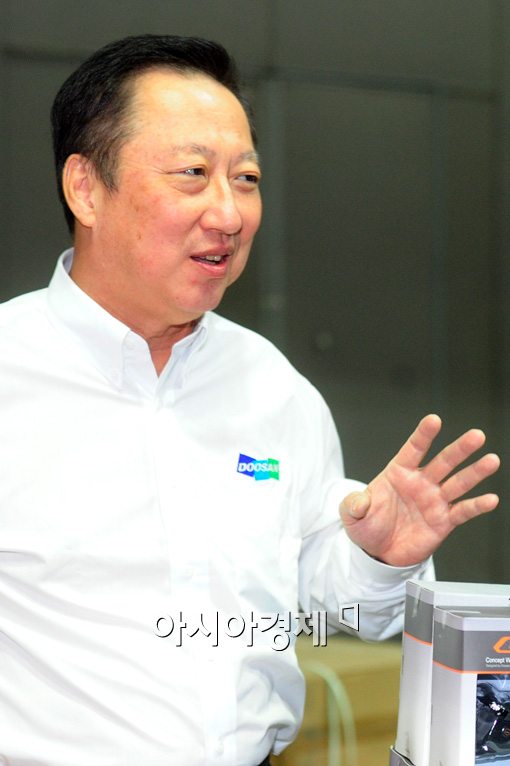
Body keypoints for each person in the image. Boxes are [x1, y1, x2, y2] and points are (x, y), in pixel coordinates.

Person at [0, 34, 499, 766]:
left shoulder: (272, 387)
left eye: (247, 178)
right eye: (193, 174)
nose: (229, 214)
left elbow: (343, 606)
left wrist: (377, 556)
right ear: (86, 188)